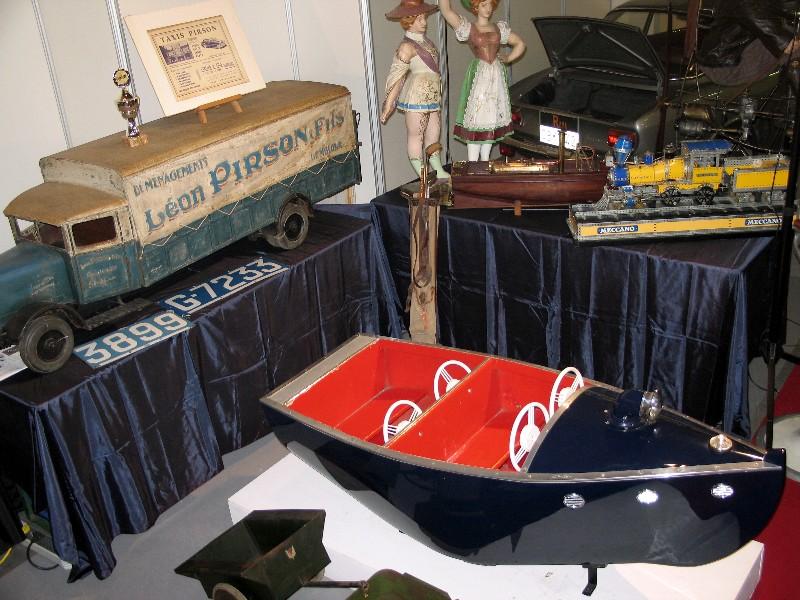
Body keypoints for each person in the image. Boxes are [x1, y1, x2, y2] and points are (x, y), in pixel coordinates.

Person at [438, 0, 525, 162]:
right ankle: (472, 162)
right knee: (477, 116)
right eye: (484, 5)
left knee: (491, 116)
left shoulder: (499, 28)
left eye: (490, 4)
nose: (488, 8)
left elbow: (520, 43)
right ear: (475, 6)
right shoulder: (468, 28)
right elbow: (446, 11)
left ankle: (485, 160)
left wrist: (508, 58)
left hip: (496, 77)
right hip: (480, 77)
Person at [382, 0, 449, 180]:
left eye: (424, 17)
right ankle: (423, 174)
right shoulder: (407, 47)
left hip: (433, 96)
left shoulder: (426, 42)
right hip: (416, 97)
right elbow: (397, 76)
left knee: (434, 134)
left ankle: (438, 170)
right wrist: (389, 104)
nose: (424, 22)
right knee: (416, 135)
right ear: (408, 21)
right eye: (419, 19)